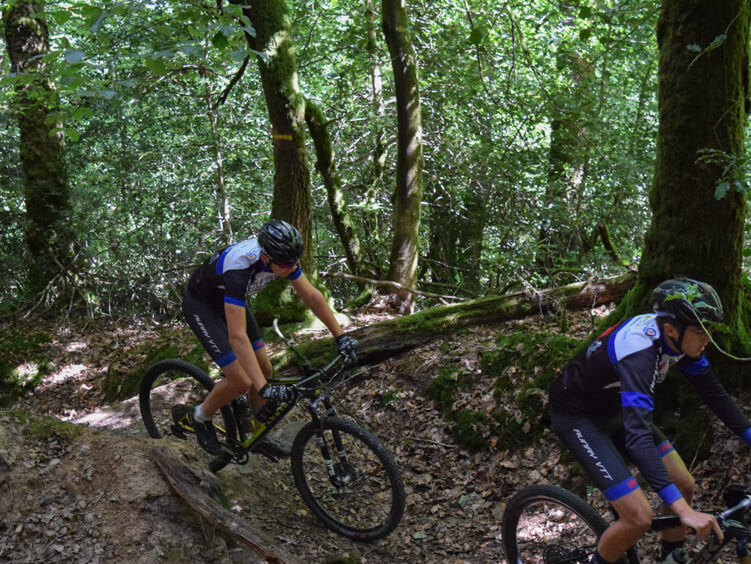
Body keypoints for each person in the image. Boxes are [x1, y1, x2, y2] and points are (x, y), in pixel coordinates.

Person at [549, 278, 751, 564]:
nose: (707, 339)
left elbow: (715, 395)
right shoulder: (640, 353)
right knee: (639, 518)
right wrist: (683, 511)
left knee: (684, 485)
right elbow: (638, 437)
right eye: (700, 332)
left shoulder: (679, 339)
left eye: (710, 331)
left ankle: (673, 557)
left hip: (616, 409)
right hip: (578, 416)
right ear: (671, 329)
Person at [179, 218, 358, 456]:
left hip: (232, 302)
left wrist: (340, 336)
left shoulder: (283, 257)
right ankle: (199, 417)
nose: (291, 268)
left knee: (265, 368)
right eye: (285, 265)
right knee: (242, 381)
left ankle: (258, 432)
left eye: (294, 262)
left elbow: (312, 297)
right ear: (265, 258)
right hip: (202, 305)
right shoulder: (239, 268)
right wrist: (263, 388)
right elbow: (237, 336)